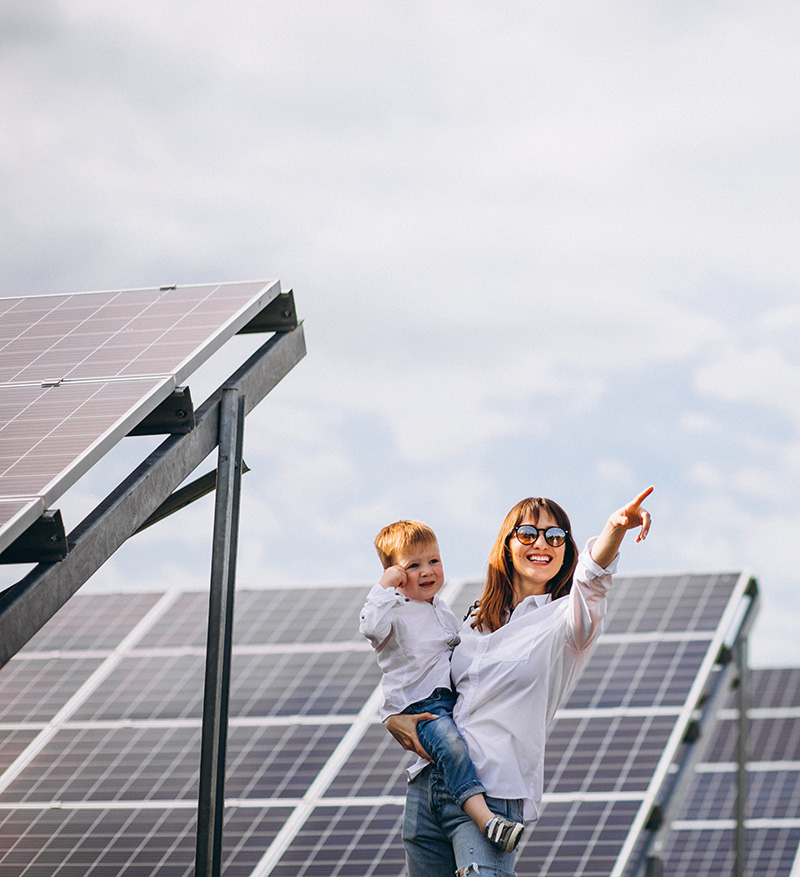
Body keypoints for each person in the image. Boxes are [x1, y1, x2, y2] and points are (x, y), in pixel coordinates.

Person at [385, 487, 653, 877]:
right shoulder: (473, 620)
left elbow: (593, 581)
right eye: (528, 533)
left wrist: (615, 528)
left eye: (555, 536)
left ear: (566, 550)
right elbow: (424, 677)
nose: (542, 543)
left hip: (494, 791)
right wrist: (395, 718)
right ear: (508, 545)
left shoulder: (567, 621)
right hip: (430, 784)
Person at [359, 520, 525, 853]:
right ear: (395, 574)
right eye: (413, 565)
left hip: (446, 701)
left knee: (459, 745)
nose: (427, 571)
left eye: (433, 561)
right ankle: (487, 821)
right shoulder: (393, 610)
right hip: (420, 706)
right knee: (452, 748)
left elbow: (459, 647)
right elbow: (371, 629)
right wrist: (384, 588)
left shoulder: (441, 609)